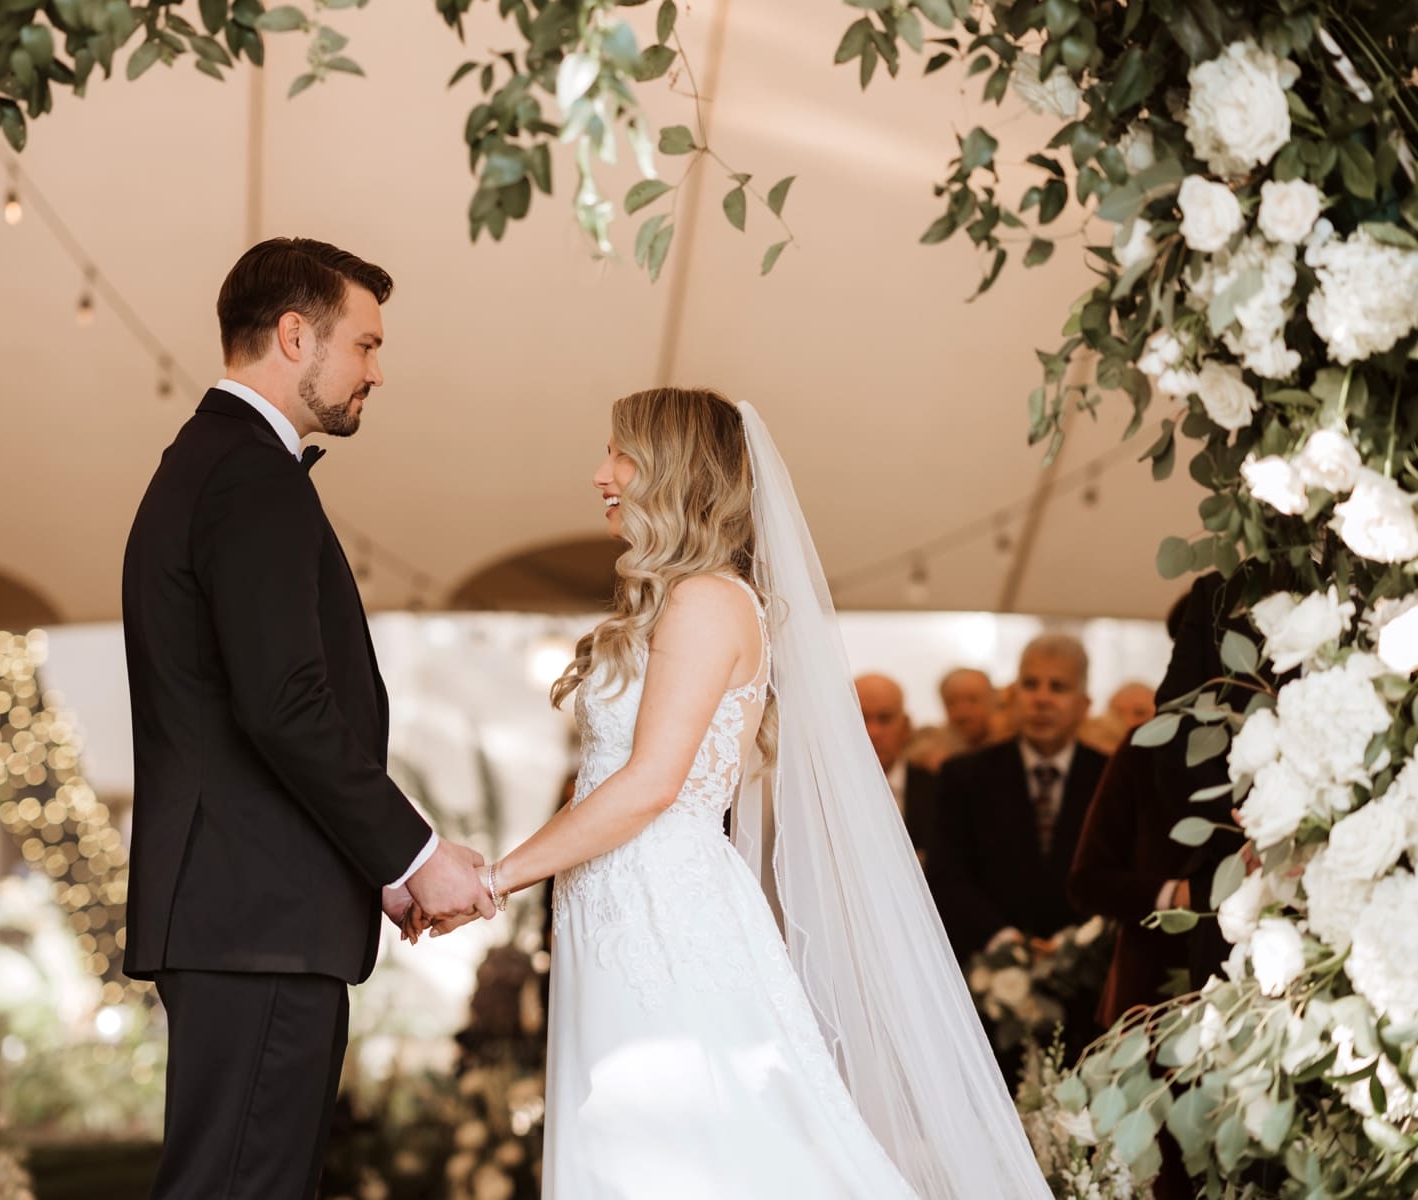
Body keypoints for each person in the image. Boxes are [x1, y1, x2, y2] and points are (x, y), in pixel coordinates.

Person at [408, 389, 1048, 1198]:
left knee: (689, 1152)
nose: (600, 473)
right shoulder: (669, 601)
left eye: (620, 454)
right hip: (616, 907)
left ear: (674, 471)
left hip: (663, 914)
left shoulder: (708, 601)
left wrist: (496, 879)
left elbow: (649, 784)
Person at [119, 238, 493, 1200]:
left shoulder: (209, 464)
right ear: (295, 335)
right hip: (258, 921)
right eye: (364, 344)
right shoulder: (251, 477)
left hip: (246, 911)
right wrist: (410, 855)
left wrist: (369, 865)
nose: (376, 370)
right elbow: (284, 706)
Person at [926, 635, 1110, 959]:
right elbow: (946, 874)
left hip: (1088, 971)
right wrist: (1002, 940)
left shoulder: (1108, 777)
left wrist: (1076, 942)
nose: (1041, 699)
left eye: (1058, 687)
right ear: (1012, 697)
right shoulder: (964, 776)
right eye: (1030, 684)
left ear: (1084, 705)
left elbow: (1118, 875)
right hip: (986, 968)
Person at [855, 672, 939, 860]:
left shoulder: (937, 789)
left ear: (906, 726)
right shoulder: (821, 791)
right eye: (859, 718)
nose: (872, 732)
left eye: (884, 719)